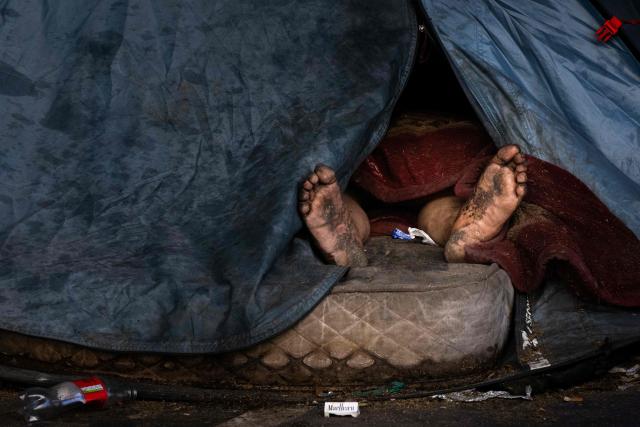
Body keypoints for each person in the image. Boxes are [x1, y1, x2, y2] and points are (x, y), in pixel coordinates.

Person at [298, 145, 527, 266]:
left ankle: (347, 231)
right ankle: (462, 225)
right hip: (445, 162)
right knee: (441, 208)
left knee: (348, 197)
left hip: (366, 164)